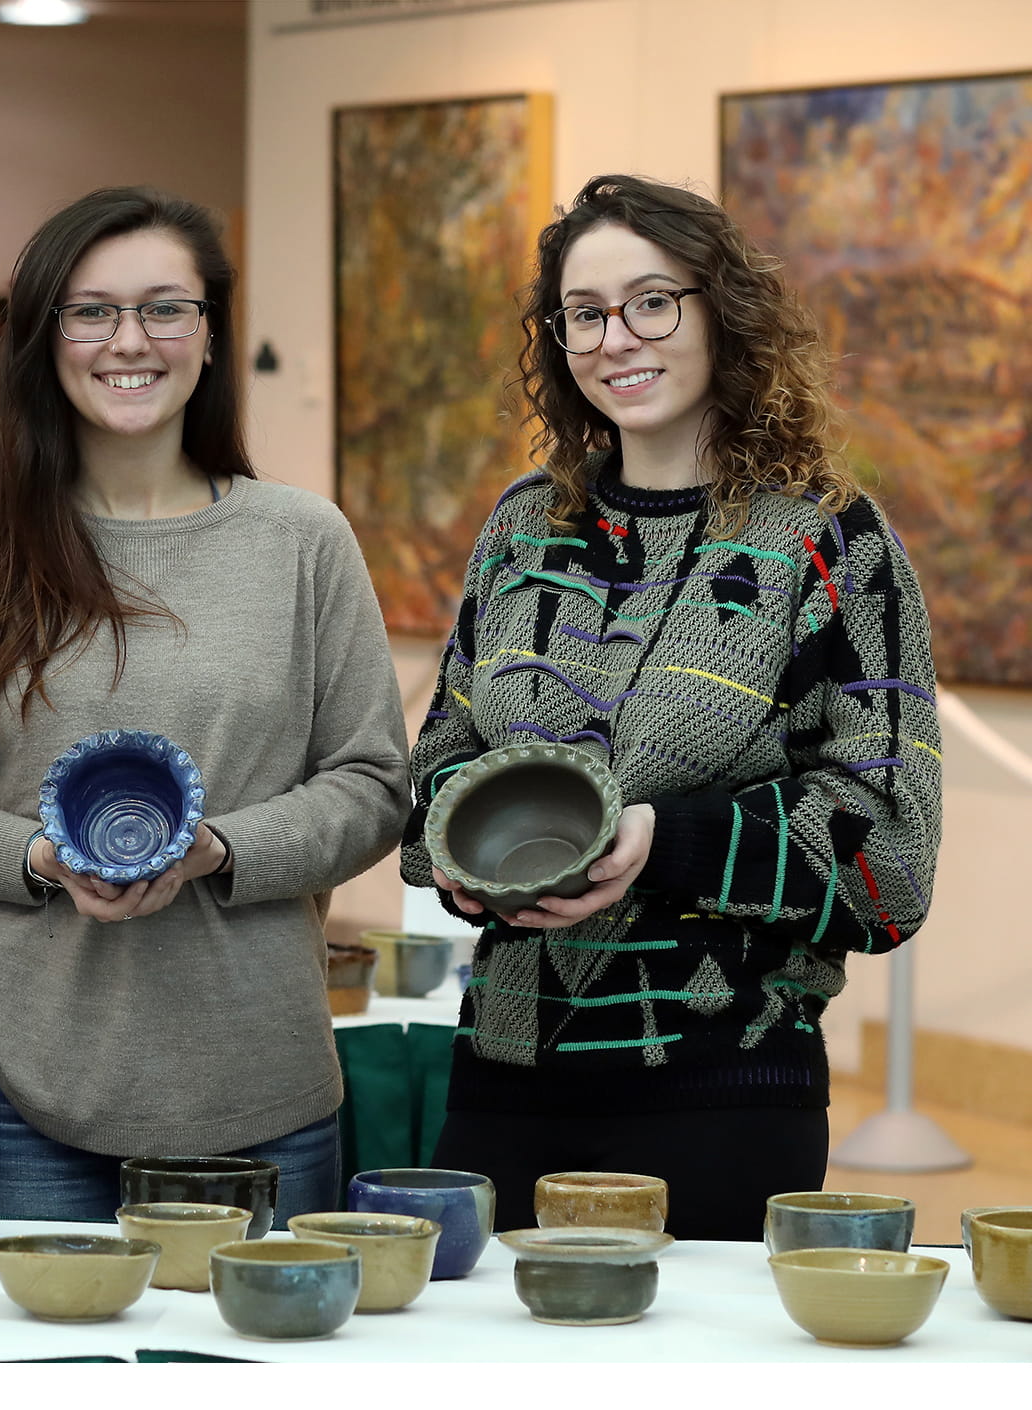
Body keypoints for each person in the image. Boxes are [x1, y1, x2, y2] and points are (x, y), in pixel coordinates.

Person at [400, 174, 943, 1240]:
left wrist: (659, 841)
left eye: (652, 301)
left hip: (722, 1095)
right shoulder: (521, 527)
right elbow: (433, 776)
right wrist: (470, 859)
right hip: (500, 1080)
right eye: (584, 314)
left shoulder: (830, 540)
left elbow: (892, 862)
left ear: (720, 312)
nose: (616, 338)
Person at [0, 187, 411, 1223]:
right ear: (43, 339)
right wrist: (39, 858)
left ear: (209, 338)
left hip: (259, 1072)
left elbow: (374, 784)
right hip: (23, 1074)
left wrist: (222, 850)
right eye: (91, 311)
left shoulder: (301, 543)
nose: (130, 340)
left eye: (165, 308)